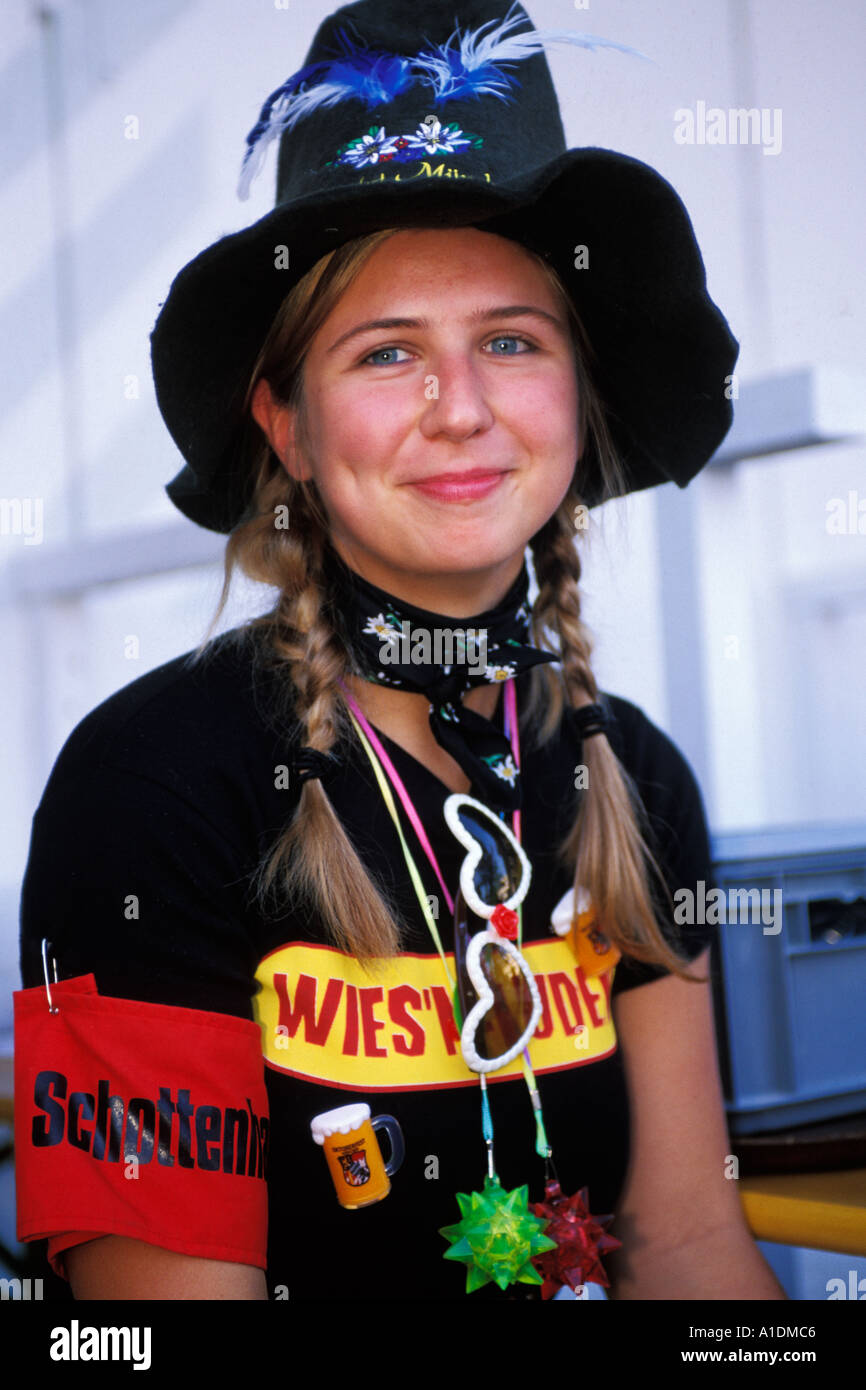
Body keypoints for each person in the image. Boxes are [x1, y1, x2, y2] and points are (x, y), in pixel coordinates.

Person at [16, 0, 786, 1301]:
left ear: (575, 394)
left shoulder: (632, 774)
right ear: (287, 425)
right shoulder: (147, 786)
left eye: (508, 340)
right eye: (387, 354)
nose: (464, 409)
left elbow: (690, 1251)